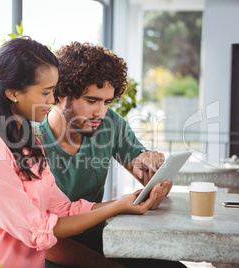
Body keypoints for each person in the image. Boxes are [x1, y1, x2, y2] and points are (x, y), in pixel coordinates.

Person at [0, 37, 169, 268]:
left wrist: (126, 201)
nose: (51, 100)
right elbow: (38, 230)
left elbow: (61, 209)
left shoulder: (24, 139)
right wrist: (116, 208)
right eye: (46, 92)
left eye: (52, 91)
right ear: (13, 92)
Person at [37, 42, 185, 267]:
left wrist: (154, 179)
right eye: (91, 101)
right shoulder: (31, 141)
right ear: (59, 95)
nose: (101, 112)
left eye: (107, 102)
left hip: (96, 233)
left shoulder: (110, 124)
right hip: (50, 249)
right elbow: (43, 239)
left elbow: (141, 167)